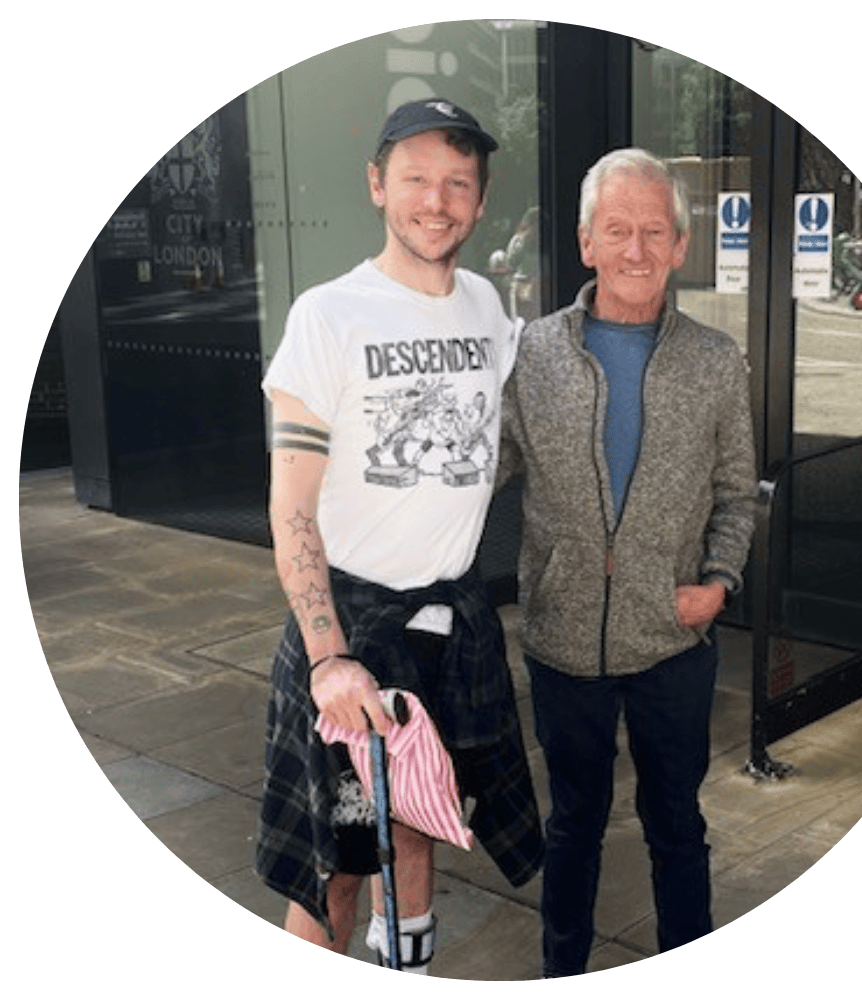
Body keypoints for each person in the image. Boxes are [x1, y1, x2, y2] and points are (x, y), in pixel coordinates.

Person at [255, 98, 543, 974]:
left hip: (449, 622)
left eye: (458, 182)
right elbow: (291, 507)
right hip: (352, 624)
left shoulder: (487, 307)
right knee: (332, 872)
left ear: (481, 200)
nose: (436, 199)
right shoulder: (328, 315)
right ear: (378, 185)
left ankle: (407, 971)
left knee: (421, 813)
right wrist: (328, 656)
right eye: (415, 177)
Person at [499, 148, 756, 977]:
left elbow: (735, 491)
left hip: (673, 642)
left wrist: (716, 585)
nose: (636, 249)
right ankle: (561, 971)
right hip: (563, 640)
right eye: (618, 229)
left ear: (681, 246)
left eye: (655, 231)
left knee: (676, 821)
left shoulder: (715, 361)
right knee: (572, 825)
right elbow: (476, 469)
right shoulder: (533, 353)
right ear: (585, 241)